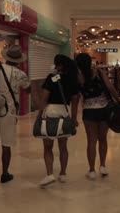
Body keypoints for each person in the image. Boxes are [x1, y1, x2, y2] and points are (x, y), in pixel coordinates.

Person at [0, 45, 31, 184]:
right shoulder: (19, 73)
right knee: (6, 144)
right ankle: (4, 173)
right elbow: (28, 89)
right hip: (9, 112)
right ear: (18, 60)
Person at [76, 53, 120, 180]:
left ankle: (91, 170)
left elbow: (77, 95)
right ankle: (102, 166)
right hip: (104, 109)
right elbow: (110, 87)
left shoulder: (79, 77)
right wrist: (119, 100)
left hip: (88, 111)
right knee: (103, 139)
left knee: (91, 141)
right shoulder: (99, 72)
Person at [38, 55, 80, 187]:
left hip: (50, 112)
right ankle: (63, 174)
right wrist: (73, 118)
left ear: (59, 66)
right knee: (63, 146)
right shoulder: (72, 80)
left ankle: (50, 174)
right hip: (64, 112)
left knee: (48, 146)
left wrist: (39, 115)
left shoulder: (52, 78)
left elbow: (44, 98)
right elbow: (75, 101)